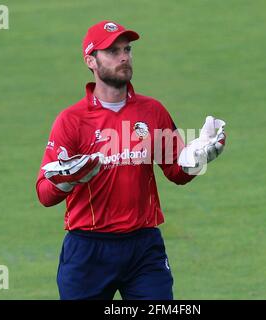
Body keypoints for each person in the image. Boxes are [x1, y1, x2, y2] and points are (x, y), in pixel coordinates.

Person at [35, 20, 226, 300]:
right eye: (112, 51)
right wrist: (68, 180)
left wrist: (199, 157)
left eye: (127, 49)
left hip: (143, 248)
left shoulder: (152, 111)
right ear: (90, 60)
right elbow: (44, 193)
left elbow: (177, 171)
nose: (124, 57)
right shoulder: (72, 121)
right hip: (88, 250)